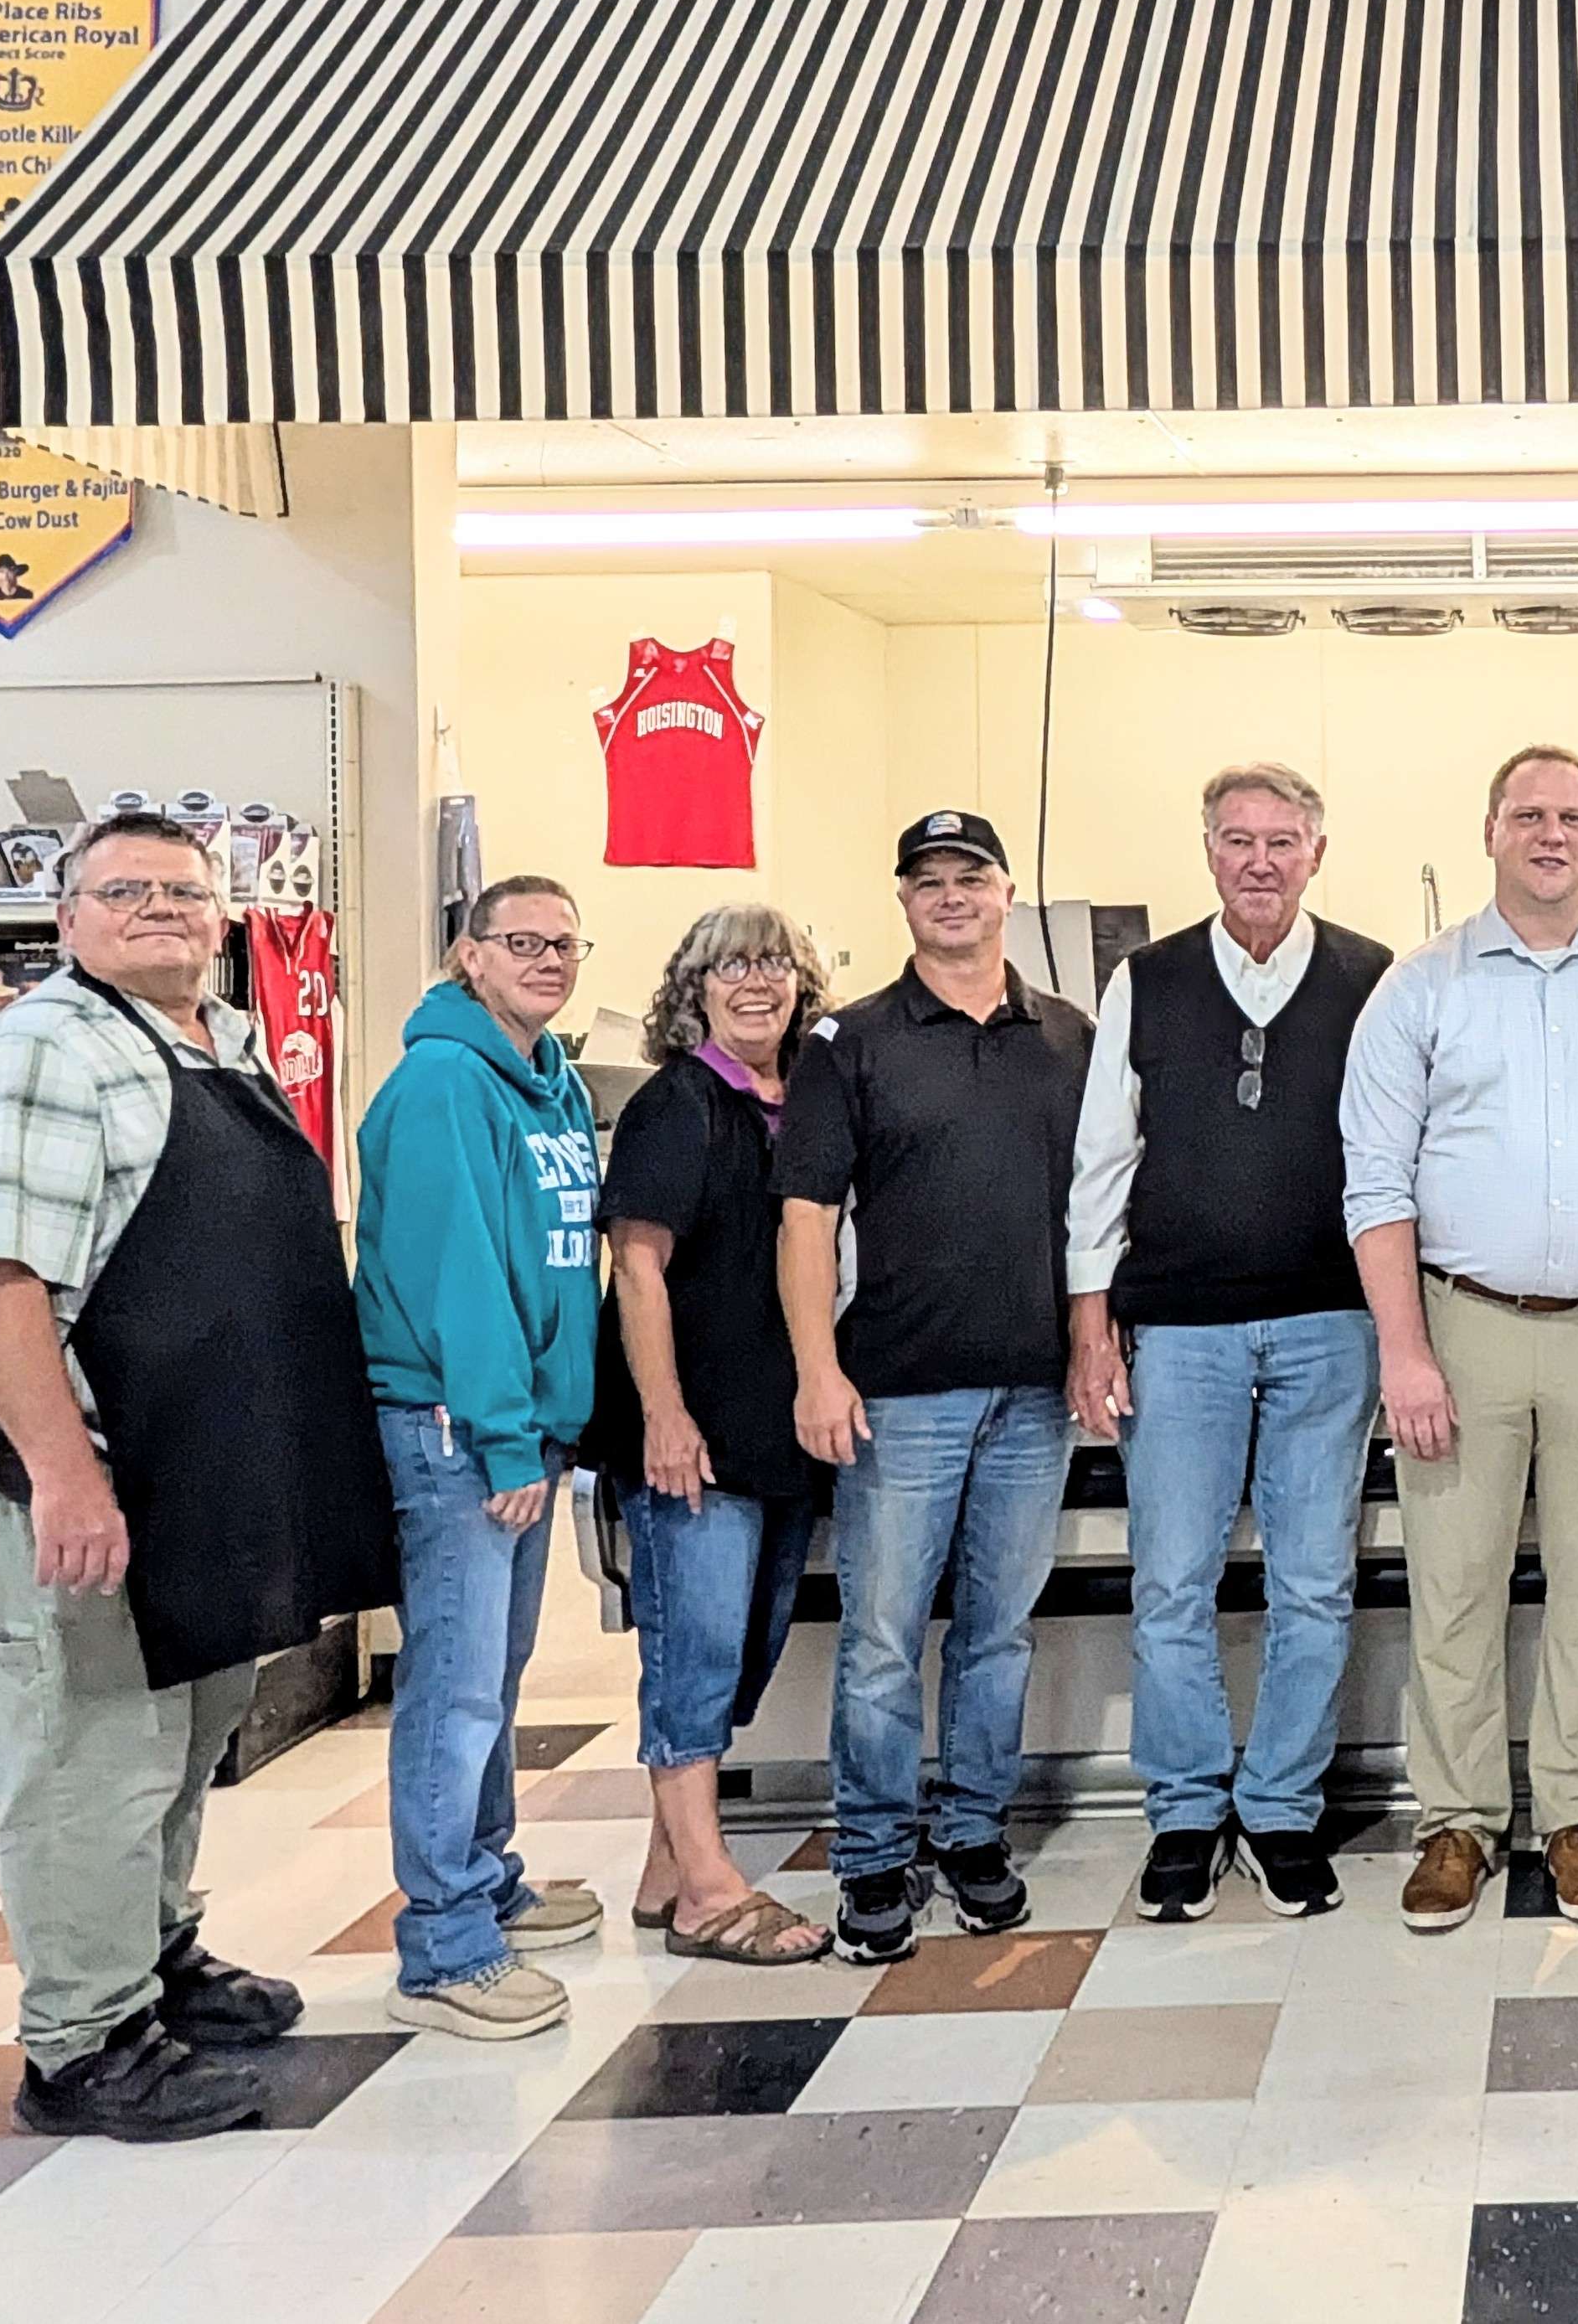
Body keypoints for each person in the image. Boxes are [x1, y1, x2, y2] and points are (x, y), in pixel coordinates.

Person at [0, 808, 394, 2143]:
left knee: (185, 1736)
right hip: (86, 1464)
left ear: (223, 914)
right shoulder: (38, 1049)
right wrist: (64, 1475)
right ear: (65, 918)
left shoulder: (218, 1040)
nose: (160, 910)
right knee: (89, 1753)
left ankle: (156, 1959)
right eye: (121, 891)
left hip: (202, 1455)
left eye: (184, 891)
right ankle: (81, 2040)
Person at [1343, 744, 1578, 1936]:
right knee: (1452, 1589)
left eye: (1571, 815)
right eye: (1528, 814)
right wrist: (1405, 1353)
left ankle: (1577, 1814)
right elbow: (1374, 1182)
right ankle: (1457, 1820)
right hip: (1461, 1327)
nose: (1550, 832)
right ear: (1491, 831)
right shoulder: (1423, 988)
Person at [1065, 765, 1393, 1924]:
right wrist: (1090, 1322)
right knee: (1170, 1582)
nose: (1260, 859)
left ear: (1318, 849)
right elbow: (1104, 1158)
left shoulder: (1369, 976)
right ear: (1207, 850)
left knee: (1315, 1582)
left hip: (1330, 1325)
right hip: (1183, 1330)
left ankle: (1284, 1806)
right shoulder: (1144, 981)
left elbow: (1402, 1159)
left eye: (1283, 840)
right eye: (1239, 839)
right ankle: (1188, 1808)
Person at [778, 811, 1096, 1967]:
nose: (952, 896)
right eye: (930, 881)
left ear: (1010, 890)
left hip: (1035, 1389)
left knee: (998, 1633)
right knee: (880, 1635)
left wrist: (1093, 1344)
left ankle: (973, 1835)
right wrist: (819, 1366)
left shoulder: (1069, 1035)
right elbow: (806, 1217)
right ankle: (870, 1853)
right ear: (903, 898)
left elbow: (1097, 1211)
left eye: (972, 877)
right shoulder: (848, 1042)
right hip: (898, 1390)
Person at [353, 873, 609, 2041]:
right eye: (523, 941)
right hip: (458, 1429)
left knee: (494, 1679)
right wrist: (505, 1432)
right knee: (454, 1686)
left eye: (564, 943)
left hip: (520, 1428)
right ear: (470, 955)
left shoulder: (548, 1084)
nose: (548, 960)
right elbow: (459, 1274)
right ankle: (445, 1941)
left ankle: (488, 1879)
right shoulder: (447, 1081)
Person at [590, 903, 834, 1969]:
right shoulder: (677, 1104)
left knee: (743, 1655)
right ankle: (706, 1887)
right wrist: (665, 1414)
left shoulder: (800, 1103)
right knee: (690, 1658)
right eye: (731, 965)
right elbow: (636, 1265)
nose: (756, 982)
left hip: (779, 1434)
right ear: (691, 987)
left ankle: (664, 1868)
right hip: (695, 1435)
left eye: (775, 965)